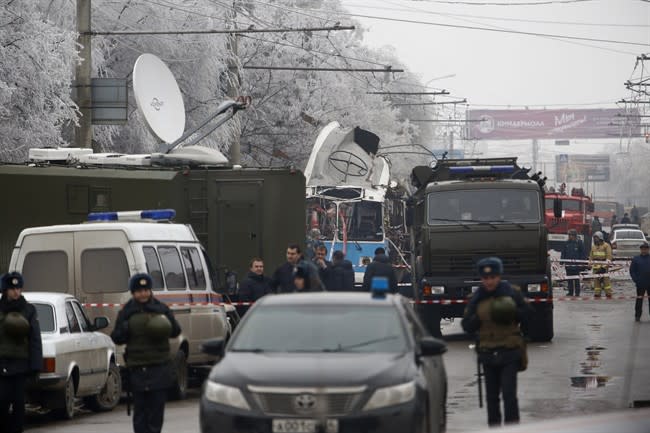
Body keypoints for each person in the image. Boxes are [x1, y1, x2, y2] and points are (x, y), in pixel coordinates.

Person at [461, 258, 530, 427]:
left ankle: (512, 428)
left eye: (492, 277)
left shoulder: (512, 292)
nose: (489, 281)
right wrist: (476, 320)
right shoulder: (476, 298)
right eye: (485, 278)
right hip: (487, 353)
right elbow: (466, 325)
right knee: (492, 398)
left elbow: (528, 314)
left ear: (498, 277)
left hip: (510, 351)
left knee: (509, 395)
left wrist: (513, 312)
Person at [111, 273, 182, 433]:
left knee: (156, 413)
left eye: (146, 290)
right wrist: (125, 329)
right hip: (137, 369)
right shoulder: (127, 312)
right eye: (139, 290)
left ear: (150, 290)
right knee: (141, 414)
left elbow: (176, 331)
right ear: (133, 292)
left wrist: (165, 324)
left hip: (159, 368)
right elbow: (116, 337)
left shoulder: (161, 309)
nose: (143, 293)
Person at [0, 272, 42, 433]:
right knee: (2, 402)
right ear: (5, 290)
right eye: (12, 288)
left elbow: (35, 339)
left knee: (19, 404)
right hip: (2, 364)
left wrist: (36, 366)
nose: (16, 292)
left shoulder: (29, 310)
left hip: (21, 365)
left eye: (18, 288)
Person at [561, 229, 586, 296]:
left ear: (574, 235)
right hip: (568, 265)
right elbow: (563, 252)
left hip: (576, 265)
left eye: (570, 235)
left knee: (576, 279)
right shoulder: (566, 243)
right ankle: (570, 292)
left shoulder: (579, 243)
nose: (569, 236)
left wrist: (582, 263)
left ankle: (577, 292)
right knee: (569, 279)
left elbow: (583, 253)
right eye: (568, 235)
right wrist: (562, 261)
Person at [630, 242, 650, 322]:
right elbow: (632, 271)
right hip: (640, 283)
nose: (644, 250)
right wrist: (636, 280)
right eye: (642, 249)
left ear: (648, 249)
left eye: (646, 249)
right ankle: (637, 316)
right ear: (640, 250)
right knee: (639, 300)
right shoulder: (636, 259)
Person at [589, 231, 612, 298]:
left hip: (603, 268)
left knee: (606, 282)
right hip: (595, 268)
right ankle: (597, 293)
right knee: (596, 282)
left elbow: (609, 257)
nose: (595, 239)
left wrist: (604, 267)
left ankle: (608, 293)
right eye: (594, 238)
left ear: (600, 238)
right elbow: (591, 256)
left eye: (596, 238)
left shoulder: (606, 246)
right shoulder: (593, 247)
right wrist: (589, 264)